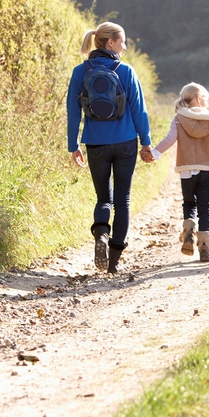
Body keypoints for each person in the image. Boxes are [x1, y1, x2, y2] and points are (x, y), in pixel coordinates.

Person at [66, 22, 153, 274]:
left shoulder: (80, 72)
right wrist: (146, 142)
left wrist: (73, 145)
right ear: (110, 42)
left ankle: (101, 234)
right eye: (122, 41)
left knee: (104, 198)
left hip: (96, 142)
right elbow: (139, 110)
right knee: (122, 201)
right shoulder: (126, 71)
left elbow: (73, 112)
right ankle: (113, 263)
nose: (124, 47)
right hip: (126, 142)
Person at [149, 82, 209, 262]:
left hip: (187, 169)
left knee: (189, 203)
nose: (207, 101)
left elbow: (170, 139)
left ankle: (188, 231)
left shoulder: (179, 119)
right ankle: (205, 248)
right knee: (205, 207)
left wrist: (155, 153)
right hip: (207, 170)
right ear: (197, 98)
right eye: (205, 97)